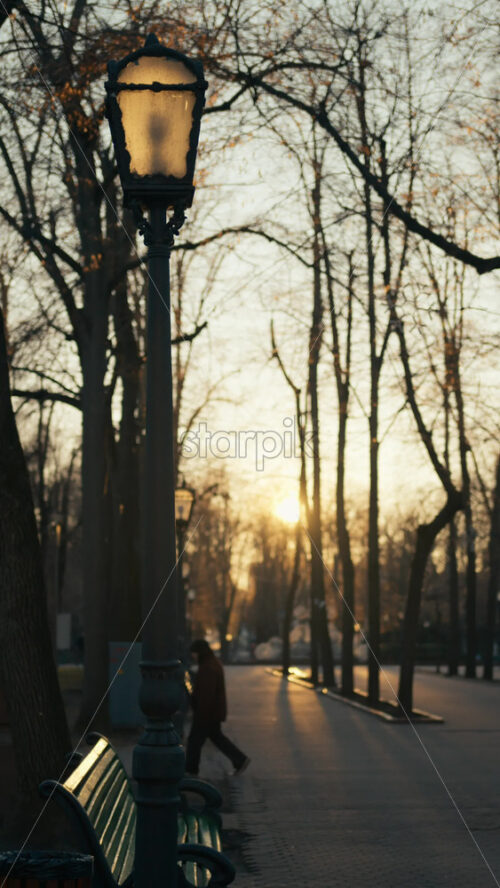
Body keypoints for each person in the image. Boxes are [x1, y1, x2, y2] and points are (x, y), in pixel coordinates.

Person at [185, 638, 250, 776]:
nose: (193, 656)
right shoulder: (211, 663)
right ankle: (240, 760)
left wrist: (199, 712)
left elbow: (206, 694)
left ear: (199, 652)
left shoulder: (208, 667)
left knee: (195, 741)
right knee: (217, 738)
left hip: (206, 713)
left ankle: (190, 770)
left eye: (194, 653)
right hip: (212, 712)